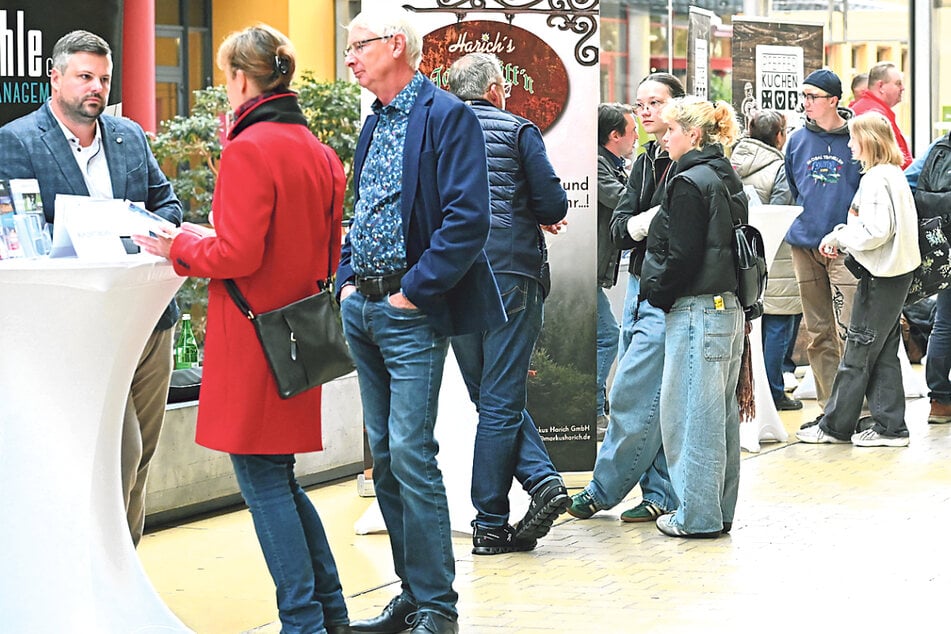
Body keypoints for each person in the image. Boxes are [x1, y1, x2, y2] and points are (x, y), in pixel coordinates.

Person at [134, 25, 351, 634]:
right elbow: (327, 252)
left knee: (262, 483)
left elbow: (236, 255)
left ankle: (304, 623)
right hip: (298, 333)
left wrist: (178, 246)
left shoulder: (249, 147)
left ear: (238, 77)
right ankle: (328, 615)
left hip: (255, 340)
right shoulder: (318, 150)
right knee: (278, 478)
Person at [337, 9, 505, 634]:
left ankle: (438, 607)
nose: (349, 58)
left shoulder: (447, 115)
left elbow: (467, 219)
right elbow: (364, 207)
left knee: (411, 451)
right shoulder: (375, 121)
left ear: (396, 46)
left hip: (410, 313)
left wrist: (413, 292)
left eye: (357, 46)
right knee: (383, 455)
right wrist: (348, 278)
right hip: (364, 308)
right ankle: (410, 594)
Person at [0, 30, 182, 547]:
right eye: (84, 77)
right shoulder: (18, 141)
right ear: (54, 78)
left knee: (143, 452)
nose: (96, 88)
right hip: (79, 327)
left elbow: (167, 205)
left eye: (103, 79)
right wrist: (89, 236)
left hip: (149, 321)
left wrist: (136, 229)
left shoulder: (129, 136)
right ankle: (93, 566)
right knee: (112, 454)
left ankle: (126, 569)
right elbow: (19, 234)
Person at [445, 52, 570, 555]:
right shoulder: (519, 130)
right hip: (511, 272)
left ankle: (527, 496)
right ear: (497, 88)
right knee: (500, 401)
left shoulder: (432, 132)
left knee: (487, 400)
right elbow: (553, 204)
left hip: (453, 279)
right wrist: (539, 214)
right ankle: (497, 517)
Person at [567, 73, 683, 524]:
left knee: (634, 391)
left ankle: (603, 488)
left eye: (655, 103)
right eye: (640, 105)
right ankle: (660, 493)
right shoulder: (646, 161)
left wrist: (641, 225)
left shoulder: (691, 163)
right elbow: (622, 223)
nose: (646, 112)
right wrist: (640, 225)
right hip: (637, 283)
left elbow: (675, 227)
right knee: (648, 393)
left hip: (667, 290)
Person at [639, 96, 746, 538]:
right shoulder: (725, 174)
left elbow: (681, 255)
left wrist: (655, 290)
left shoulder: (688, 182)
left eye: (670, 132)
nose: (663, 140)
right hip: (727, 308)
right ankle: (715, 511)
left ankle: (695, 517)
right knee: (718, 417)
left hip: (697, 310)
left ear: (694, 135)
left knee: (689, 417)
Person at [796, 112, 920, 447]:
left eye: (853, 138)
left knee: (858, 350)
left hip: (881, 275)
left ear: (867, 139)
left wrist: (840, 237)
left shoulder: (876, 179)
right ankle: (889, 426)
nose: (850, 144)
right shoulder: (892, 175)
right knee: (882, 352)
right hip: (895, 275)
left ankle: (836, 426)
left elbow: (876, 231)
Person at [784, 69, 863, 429]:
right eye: (803, 96)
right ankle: (829, 410)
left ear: (834, 100)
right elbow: (794, 188)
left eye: (812, 96)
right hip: (805, 246)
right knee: (818, 332)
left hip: (846, 248)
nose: (805, 103)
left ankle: (857, 410)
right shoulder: (797, 141)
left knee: (851, 331)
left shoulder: (857, 138)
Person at [729, 109, 802, 411]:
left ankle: (749, 390)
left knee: (751, 326)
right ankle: (773, 391)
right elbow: (781, 209)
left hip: (742, 255)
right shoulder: (779, 167)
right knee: (778, 324)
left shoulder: (731, 162)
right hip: (777, 258)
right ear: (779, 136)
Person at [595, 102, 636, 439]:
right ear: (614, 136)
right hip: (581, 272)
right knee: (609, 334)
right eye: (632, 131)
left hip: (592, 270)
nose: (636, 137)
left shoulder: (613, 164)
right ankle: (592, 410)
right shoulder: (596, 166)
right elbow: (622, 200)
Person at [906, 131, 951, 424]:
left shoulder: (940, 147)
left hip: (944, 245)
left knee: (944, 323)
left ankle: (939, 400)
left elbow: (908, 183)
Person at [851, 62, 911, 169]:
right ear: (881, 86)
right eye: (898, 83)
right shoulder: (872, 115)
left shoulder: (872, 109)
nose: (903, 88)